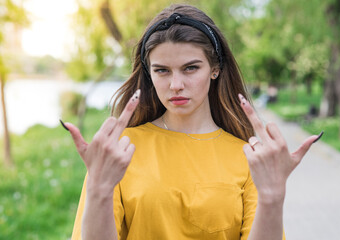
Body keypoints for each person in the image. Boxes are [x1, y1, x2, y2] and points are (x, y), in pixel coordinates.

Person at [63, 4, 323, 240]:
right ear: (149, 73)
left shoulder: (249, 157)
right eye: (162, 70)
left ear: (214, 68)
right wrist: (98, 189)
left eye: (190, 68)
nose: (176, 85)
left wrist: (273, 197)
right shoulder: (119, 152)